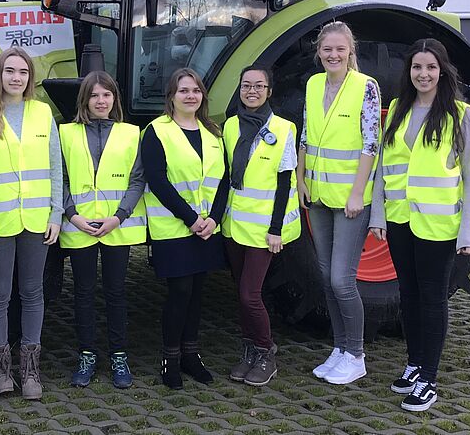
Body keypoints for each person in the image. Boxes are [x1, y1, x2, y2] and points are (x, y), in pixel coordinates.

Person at [369, 38, 470, 412]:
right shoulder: (399, 109)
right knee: (409, 295)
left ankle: (429, 380)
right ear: (410, 72)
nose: (423, 74)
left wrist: (469, 232)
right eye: (417, 67)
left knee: (432, 299)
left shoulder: (461, 115)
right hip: (401, 220)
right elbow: (384, 169)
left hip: (438, 225)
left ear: (442, 71)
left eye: (430, 67)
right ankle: (414, 364)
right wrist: (378, 214)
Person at [0, 46, 63, 400]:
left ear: (29, 78)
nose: (16, 78)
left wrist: (56, 213)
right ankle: (2, 372)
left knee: (33, 293)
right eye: (10, 71)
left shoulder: (42, 113)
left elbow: (56, 168)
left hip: (37, 220)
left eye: (22, 72)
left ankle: (31, 371)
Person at [297, 21, 380, 385]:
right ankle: (340, 348)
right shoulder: (314, 84)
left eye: (340, 49)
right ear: (319, 52)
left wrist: (358, 193)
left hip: (349, 199)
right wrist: (300, 179)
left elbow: (370, 143)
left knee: (341, 279)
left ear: (351, 52)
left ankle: (357, 354)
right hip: (317, 195)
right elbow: (305, 135)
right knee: (325, 277)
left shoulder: (367, 87)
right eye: (327, 49)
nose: (333, 55)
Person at [141, 68, 229, 390]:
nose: (190, 95)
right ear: (171, 97)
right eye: (183, 91)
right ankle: (171, 360)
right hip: (176, 228)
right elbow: (158, 181)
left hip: (206, 229)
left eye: (195, 90)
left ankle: (192, 356)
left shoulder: (213, 133)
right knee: (180, 293)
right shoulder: (156, 131)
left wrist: (214, 219)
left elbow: (223, 181)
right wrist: (192, 219)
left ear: (202, 96)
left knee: (197, 295)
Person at [60, 71, 146, 390]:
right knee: (82, 294)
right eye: (95, 95)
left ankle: (119, 356)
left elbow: (138, 180)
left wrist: (119, 217)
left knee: (116, 293)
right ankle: (87, 356)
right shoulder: (65, 133)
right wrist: (73, 215)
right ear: (85, 99)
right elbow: (61, 179)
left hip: (116, 227)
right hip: (79, 225)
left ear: (115, 99)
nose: (101, 101)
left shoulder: (131, 133)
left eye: (107, 95)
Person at [222, 65, 300, 387]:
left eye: (259, 86)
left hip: (264, 228)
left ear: (269, 91)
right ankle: (249, 350)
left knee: (249, 294)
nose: (251, 91)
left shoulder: (283, 129)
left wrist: (276, 229)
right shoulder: (229, 127)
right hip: (234, 224)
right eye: (246, 85)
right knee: (241, 294)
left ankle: (266, 351)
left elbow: (285, 184)